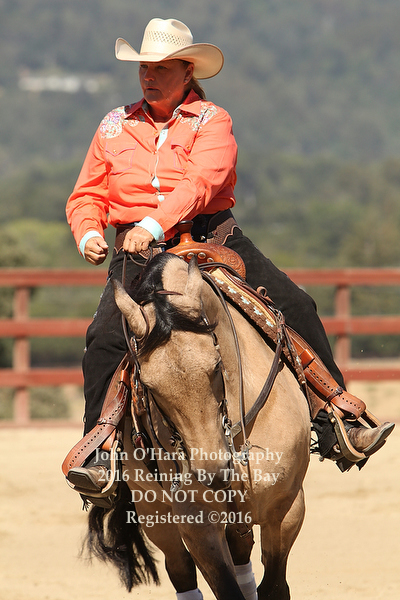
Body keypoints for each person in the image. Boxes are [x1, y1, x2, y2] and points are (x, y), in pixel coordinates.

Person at [64, 18, 394, 499]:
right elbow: (87, 194)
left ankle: (336, 420)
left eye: (161, 68)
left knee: (296, 305)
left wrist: (151, 225)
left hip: (211, 239)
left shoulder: (212, 120)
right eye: (144, 68)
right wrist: (90, 232)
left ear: (187, 71)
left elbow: (201, 183)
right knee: (104, 339)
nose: (149, 76)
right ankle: (100, 451)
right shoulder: (113, 125)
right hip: (137, 251)